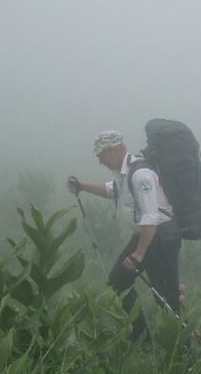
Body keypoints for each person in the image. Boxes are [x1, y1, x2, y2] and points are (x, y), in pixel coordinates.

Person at [67, 130, 181, 342]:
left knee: (165, 296)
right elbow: (111, 190)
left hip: (161, 237)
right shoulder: (124, 174)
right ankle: (141, 338)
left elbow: (151, 215)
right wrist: (81, 186)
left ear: (117, 149)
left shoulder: (140, 174)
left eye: (102, 155)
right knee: (118, 282)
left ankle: (183, 352)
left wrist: (139, 253)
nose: (100, 160)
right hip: (147, 236)